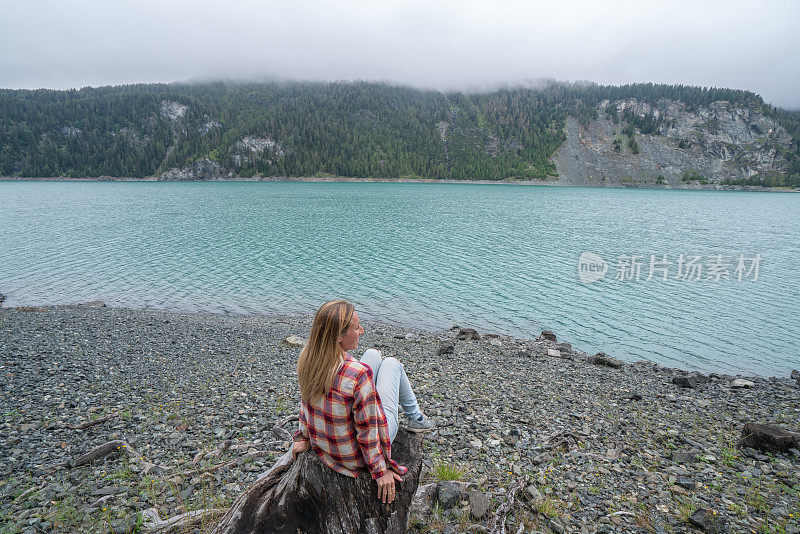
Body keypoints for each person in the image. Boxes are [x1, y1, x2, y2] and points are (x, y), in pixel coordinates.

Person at [291, 299, 434, 504]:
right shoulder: (359, 374)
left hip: (327, 448)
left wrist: (303, 436)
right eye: (357, 327)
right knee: (392, 364)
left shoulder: (308, 358)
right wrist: (380, 471)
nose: (362, 331)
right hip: (353, 456)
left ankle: (412, 415)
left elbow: (306, 405)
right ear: (338, 336)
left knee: (373, 354)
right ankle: (416, 419)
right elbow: (368, 433)